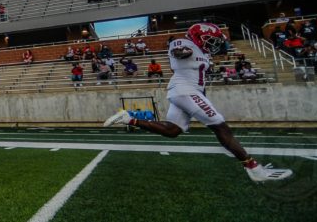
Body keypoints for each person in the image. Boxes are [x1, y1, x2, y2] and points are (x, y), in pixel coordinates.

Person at [105, 23, 293, 182]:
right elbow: (177, 50)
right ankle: (254, 168)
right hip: (185, 91)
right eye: (211, 40)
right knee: (220, 127)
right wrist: (183, 51)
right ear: (198, 38)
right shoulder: (183, 42)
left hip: (187, 92)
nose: (214, 44)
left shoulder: (202, 51)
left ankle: (129, 119)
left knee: (173, 131)